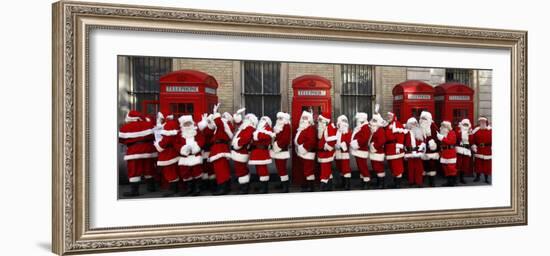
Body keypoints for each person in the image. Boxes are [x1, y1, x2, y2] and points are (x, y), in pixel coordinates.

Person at [118, 110, 158, 197]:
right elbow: (156, 136)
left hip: (134, 151)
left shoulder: (125, 127)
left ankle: (134, 191)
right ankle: (151, 187)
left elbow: (121, 140)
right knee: (149, 168)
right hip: (148, 149)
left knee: (134, 171)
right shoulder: (148, 124)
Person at [208, 103, 234, 195]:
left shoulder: (225, 125)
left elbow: (219, 123)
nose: (223, 116)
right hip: (219, 148)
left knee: (220, 169)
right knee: (223, 169)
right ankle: (226, 187)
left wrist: (215, 112)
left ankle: (222, 188)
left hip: (220, 149)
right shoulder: (222, 126)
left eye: (224, 116)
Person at [153, 111, 181, 197]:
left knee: (169, 171)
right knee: (173, 170)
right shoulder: (173, 124)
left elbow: (166, 140)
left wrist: (158, 144)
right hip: (174, 151)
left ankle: (173, 189)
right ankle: (175, 188)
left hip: (168, 153)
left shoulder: (168, 126)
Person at [176, 115, 205, 196]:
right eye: (186, 124)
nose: (188, 126)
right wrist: (183, 149)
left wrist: (196, 147)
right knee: (185, 172)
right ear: (182, 125)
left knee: (197, 171)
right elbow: (176, 144)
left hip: (195, 155)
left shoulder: (197, 132)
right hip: (185, 156)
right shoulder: (179, 133)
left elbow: (202, 140)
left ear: (192, 123)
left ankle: (197, 188)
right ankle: (189, 188)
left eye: (189, 123)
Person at [231, 113, 257, 194]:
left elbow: (245, 139)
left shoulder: (249, 128)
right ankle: (244, 184)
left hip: (241, 152)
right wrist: (237, 115)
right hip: (239, 152)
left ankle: (244, 187)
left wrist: (237, 144)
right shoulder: (245, 126)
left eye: (247, 118)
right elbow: (239, 123)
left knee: (241, 169)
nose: (245, 119)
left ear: (251, 121)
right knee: (241, 169)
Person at [250, 116, 276, 193]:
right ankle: (261, 185)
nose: (262, 121)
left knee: (262, 169)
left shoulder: (268, 129)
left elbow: (264, 136)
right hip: (256, 151)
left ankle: (264, 188)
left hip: (262, 152)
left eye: (264, 120)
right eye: (261, 119)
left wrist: (256, 135)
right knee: (258, 169)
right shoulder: (258, 129)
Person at [294, 111, 317, 192]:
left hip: (307, 153)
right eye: (303, 118)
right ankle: (305, 185)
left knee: (309, 170)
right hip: (301, 153)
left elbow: (311, 141)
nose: (304, 120)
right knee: (304, 170)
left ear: (309, 120)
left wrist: (303, 148)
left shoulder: (310, 128)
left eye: (306, 118)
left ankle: (311, 188)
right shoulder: (301, 128)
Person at [270, 112, 292, 193]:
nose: (279, 120)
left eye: (281, 118)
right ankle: (282, 183)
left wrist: (276, 146)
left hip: (281, 150)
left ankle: (285, 187)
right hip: (277, 151)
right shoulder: (278, 127)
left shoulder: (286, 126)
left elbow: (285, 140)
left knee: (282, 169)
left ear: (285, 119)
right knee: (279, 169)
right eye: (278, 118)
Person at [317, 112, 338, 191]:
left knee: (325, 169)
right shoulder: (323, 128)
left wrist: (326, 147)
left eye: (320, 120)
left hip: (326, 153)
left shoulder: (329, 127)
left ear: (325, 121)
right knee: (327, 168)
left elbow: (332, 140)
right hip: (322, 152)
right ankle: (330, 184)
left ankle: (323, 185)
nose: (319, 121)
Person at [350, 112, 371, 189]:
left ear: (362, 119)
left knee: (363, 167)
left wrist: (354, 144)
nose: (357, 120)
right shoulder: (360, 127)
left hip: (361, 150)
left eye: (358, 119)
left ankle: (367, 181)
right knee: (360, 167)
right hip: (358, 150)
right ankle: (363, 180)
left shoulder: (365, 127)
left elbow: (364, 139)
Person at [384, 111, 406, 188]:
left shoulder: (397, 124)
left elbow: (401, 136)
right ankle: (395, 182)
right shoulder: (387, 125)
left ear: (393, 116)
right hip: (389, 148)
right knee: (392, 166)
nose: (388, 117)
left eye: (390, 116)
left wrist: (398, 146)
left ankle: (398, 184)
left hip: (395, 148)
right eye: (387, 116)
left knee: (397, 166)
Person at [404, 117, 426, 187]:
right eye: (412, 123)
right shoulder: (406, 132)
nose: (414, 125)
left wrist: (422, 146)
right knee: (410, 168)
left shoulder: (420, 131)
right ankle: (411, 181)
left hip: (417, 152)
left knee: (418, 168)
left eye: (415, 123)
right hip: (409, 152)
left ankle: (419, 181)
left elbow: (423, 141)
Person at [369, 105, 387, 189]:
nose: (372, 123)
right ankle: (378, 181)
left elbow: (381, 141)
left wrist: (374, 146)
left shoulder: (380, 130)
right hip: (374, 152)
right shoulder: (374, 130)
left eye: (374, 121)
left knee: (379, 167)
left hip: (378, 152)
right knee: (375, 167)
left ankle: (381, 183)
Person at [197, 113, 216, 192]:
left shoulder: (210, 129)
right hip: (203, 150)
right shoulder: (200, 130)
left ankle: (212, 185)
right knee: (204, 168)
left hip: (209, 150)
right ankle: (206, 184)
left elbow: (209, 134)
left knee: (210, 168)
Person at [419, 111, 439, 187]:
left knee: (431, 165)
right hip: (422, 149)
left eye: (424, 118)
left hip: (431, 149)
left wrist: (433, 143)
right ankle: (422, 179)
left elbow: (437, 137)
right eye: (422, 118)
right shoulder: (419, 126)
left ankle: (432, 181)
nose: (423, 120)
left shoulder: (433, 126)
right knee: (423, 164)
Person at [437, 120, 458, 186]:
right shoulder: (442, 134)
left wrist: (442, 138)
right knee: (445, 168)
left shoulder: (452, 132)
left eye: (444, 126)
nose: (442, 127)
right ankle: (449, 182)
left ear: (448, 127)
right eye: (442, 126)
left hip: (450, 153)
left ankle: (452, 182)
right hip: (444, 152)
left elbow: (450, 142)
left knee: (451, 168)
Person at [472, 117, 492, 183]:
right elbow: (472, 139)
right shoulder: (476, 130)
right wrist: (473, 145)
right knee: (478, 164)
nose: (482, 123)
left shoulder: (490, 130)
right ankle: (477, 177)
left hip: (487, 149)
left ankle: (486, 178)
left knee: (487, 164)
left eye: (483, 121)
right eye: (481, 121)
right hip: (479, 149)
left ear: (486, 122)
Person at [335, 115, 352, 190]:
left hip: (344, 152)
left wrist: (341, 145)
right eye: (341, 122)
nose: (342, 124)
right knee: (340, 167)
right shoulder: (337, 131)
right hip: (337, 152)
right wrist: (335, 145)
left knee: (346, 168)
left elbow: (348, 141)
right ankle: (343, 183)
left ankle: (347, 184)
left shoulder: (348, 131)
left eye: (344, 122)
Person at [455, 119, 474, 184]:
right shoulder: (458, 129)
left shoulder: (470, 131)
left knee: (465, 164)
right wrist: (460, 131)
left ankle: (462, 178)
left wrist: (470, 133)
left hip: (467, 149)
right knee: (458, 164)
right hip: (459, 148)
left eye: (466, 124)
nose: (465, 126)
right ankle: (456, 178)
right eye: (464, 124)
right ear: (462, 124)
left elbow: (471, 140)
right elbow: (456, 138)